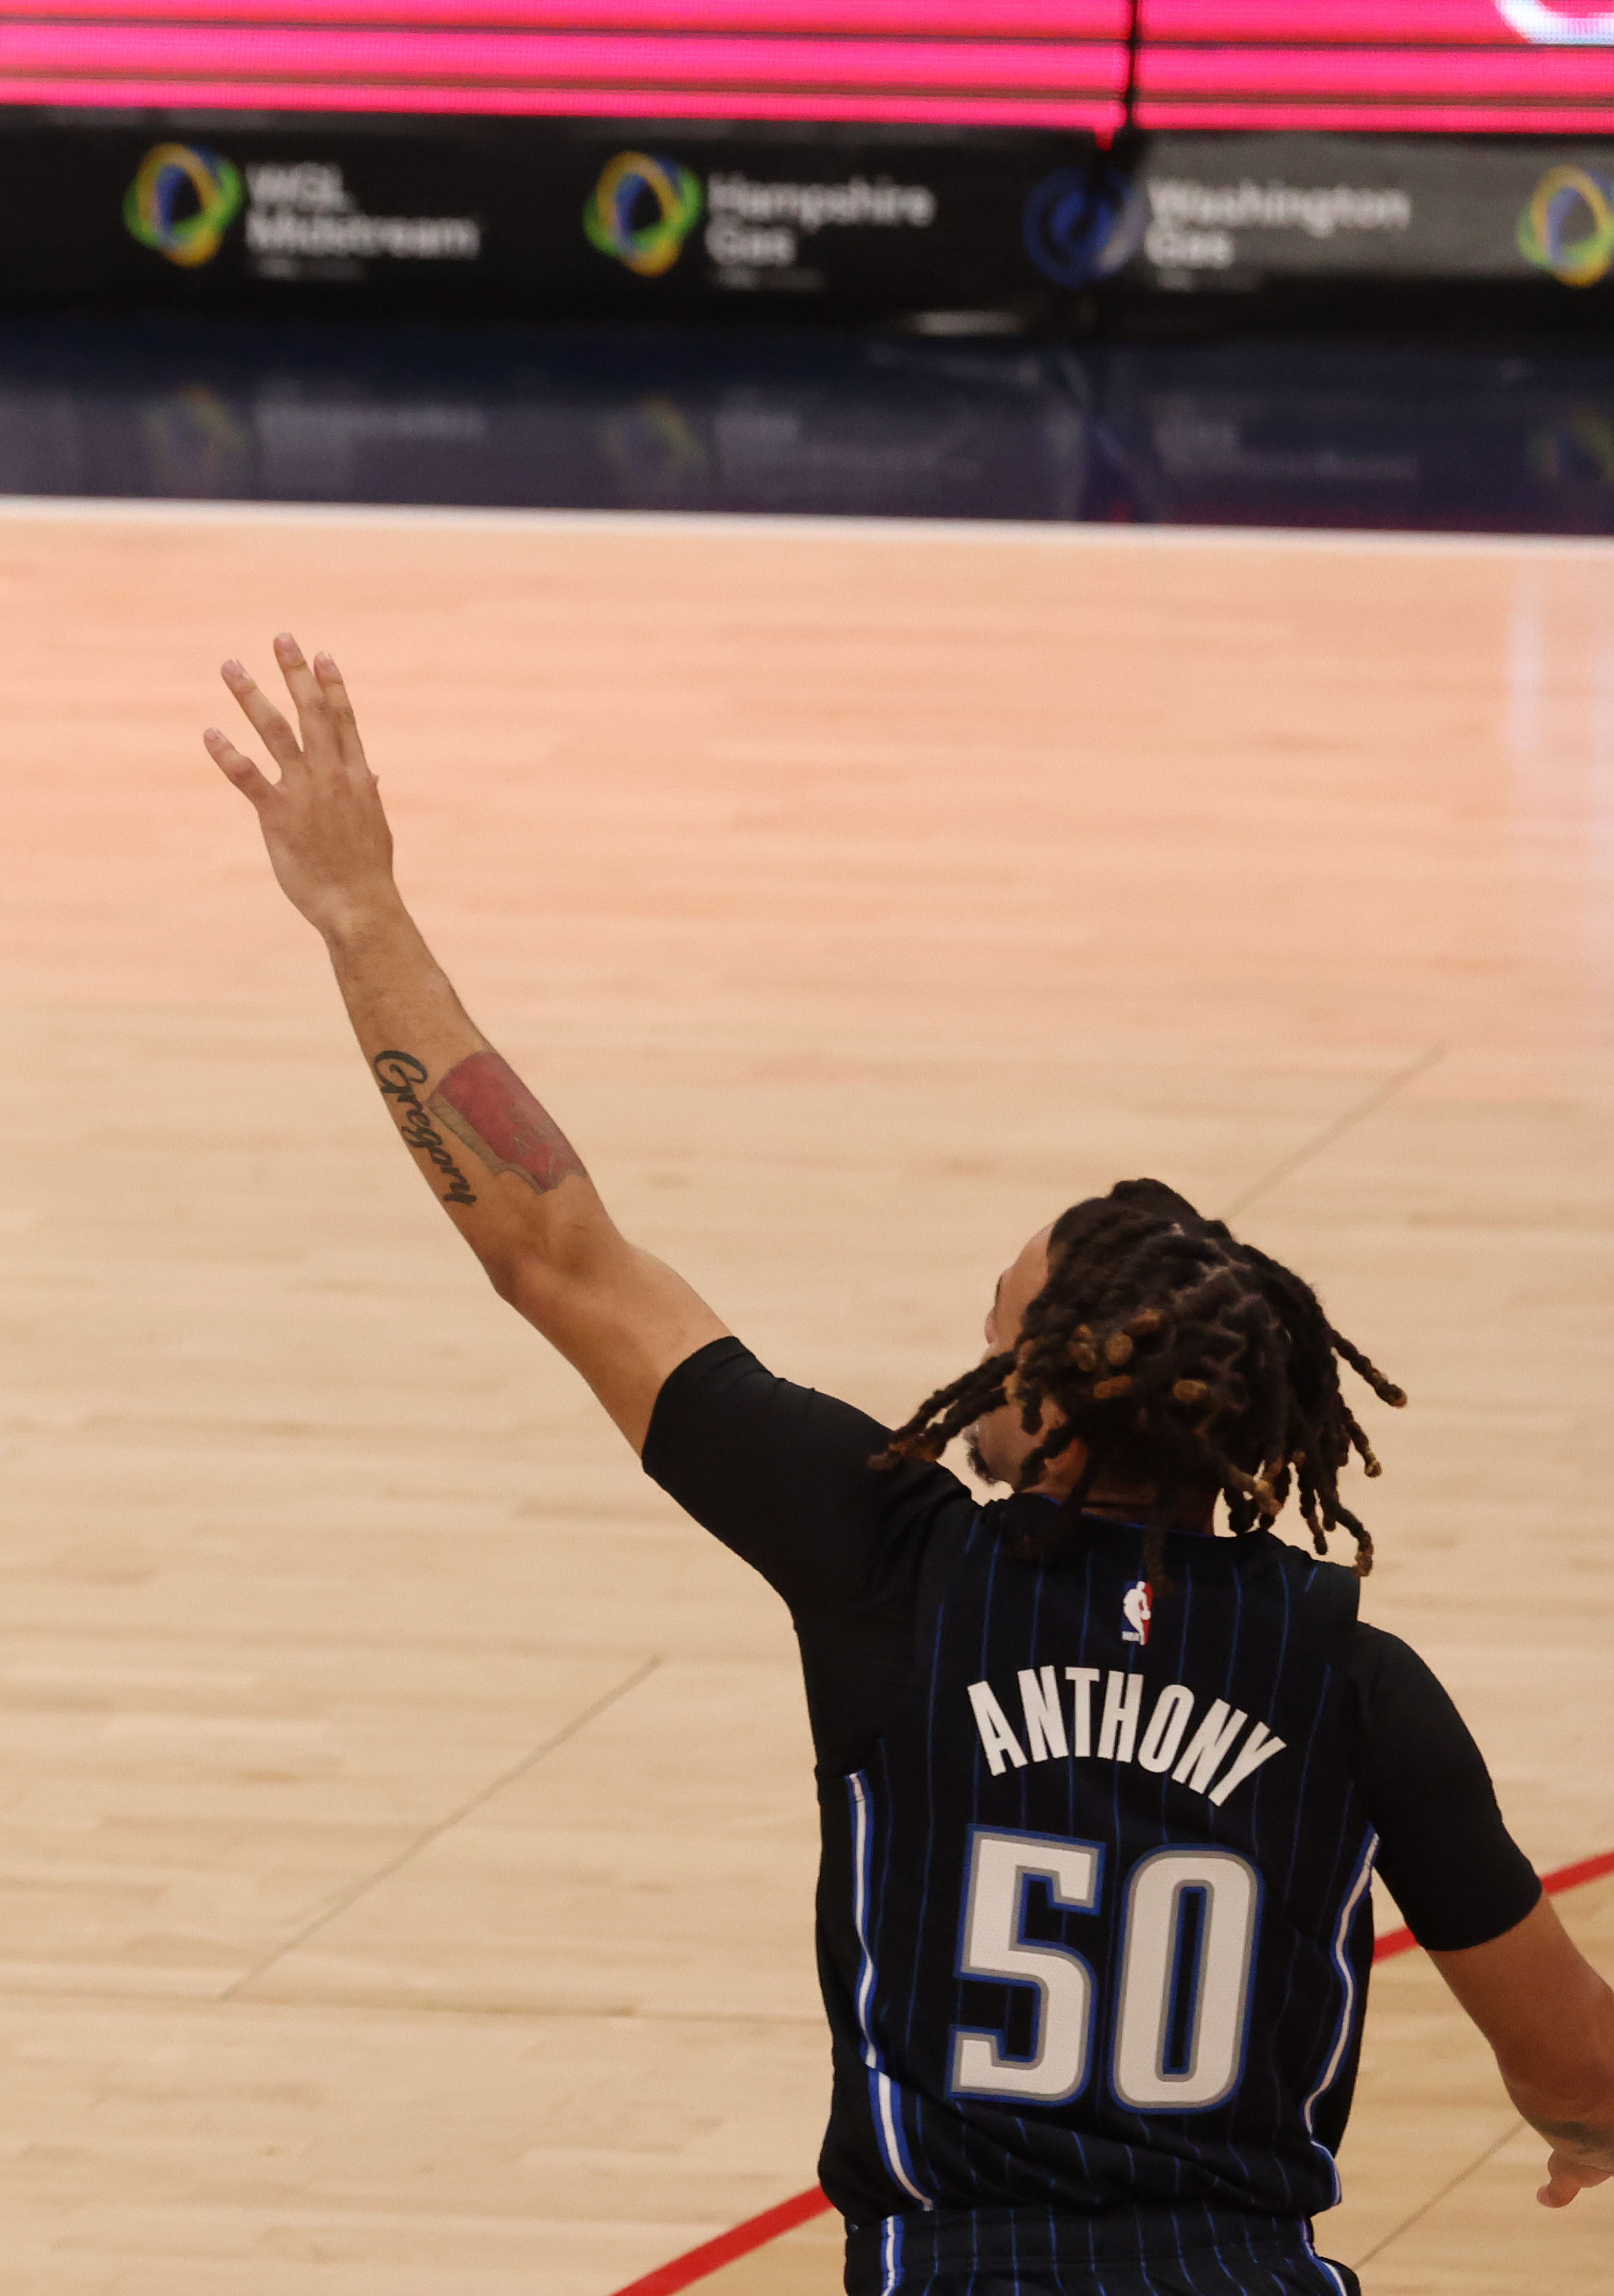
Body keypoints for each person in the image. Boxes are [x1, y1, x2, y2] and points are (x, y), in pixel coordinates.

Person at [201, 637, 1614, 2293]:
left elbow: (556, 1252)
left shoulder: (893, 1560)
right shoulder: (1357, 1680)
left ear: (1063, 1408)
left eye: (1003, 1329)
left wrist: (363, 915)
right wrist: (1582, 2117)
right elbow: (1574, 2065)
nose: (976, 1346)